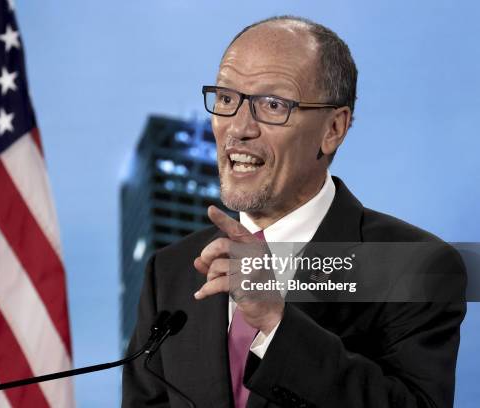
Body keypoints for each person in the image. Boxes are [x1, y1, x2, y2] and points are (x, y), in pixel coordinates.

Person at [122, 16, 466, 408]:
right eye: (226, 99)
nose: (238, 128)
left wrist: (276, 324)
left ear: (333, 129)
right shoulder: (170, 271)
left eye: (272, 105)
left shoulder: (416, 267)